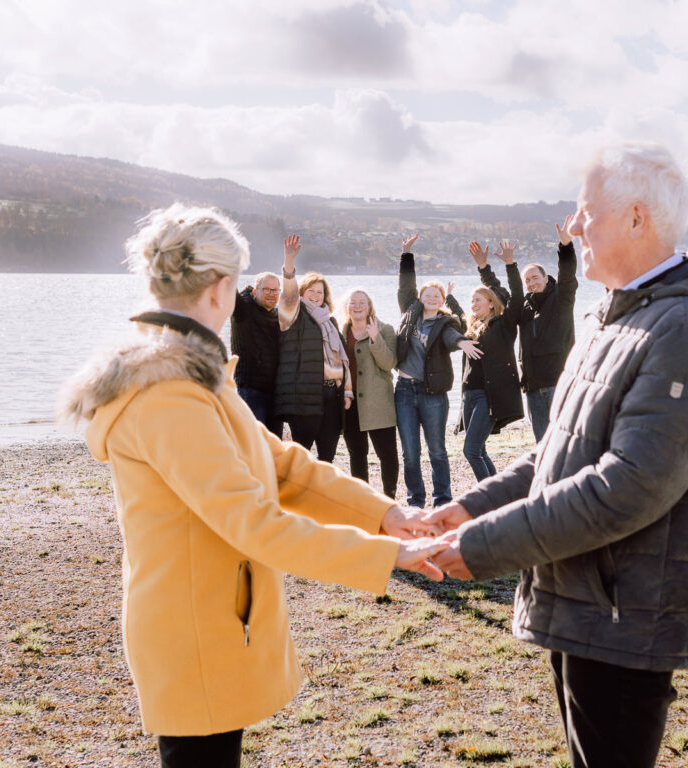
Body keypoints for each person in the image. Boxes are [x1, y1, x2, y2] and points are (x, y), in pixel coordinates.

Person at [59, 204, 444, 768]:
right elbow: (255, 522)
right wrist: (390, 555)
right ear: (220, 288)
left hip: (217, 622)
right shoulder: (167, 392)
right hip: (194, 634)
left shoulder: (193, 372)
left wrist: (384, 514)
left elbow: (282, 464)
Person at [426, 141, 688, 768]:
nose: (573, 227)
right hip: (588, 600)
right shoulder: (618, 315)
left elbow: (628, 486)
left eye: (585, 212)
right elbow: (558, 454)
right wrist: (467, 510)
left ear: (637, 218)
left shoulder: (687, 328)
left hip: (627, 614)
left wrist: (482, 548)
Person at [395, 232, 481, 508]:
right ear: (420, 298)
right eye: (427, 295)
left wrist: (462, 342)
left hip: (433, 394)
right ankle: (415, 501)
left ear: (442, 300)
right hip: (405, 391)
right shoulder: (410, 314)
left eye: (437, 295)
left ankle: (442, 500)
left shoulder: (447, 323)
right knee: (410, 452)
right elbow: (405, 287)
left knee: (437, 451)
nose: (431, 298)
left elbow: (451, 337)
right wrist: (407, 254)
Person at [478, 217, 578, 442]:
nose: (531, 283)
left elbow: (568, 273)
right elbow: (501, 294)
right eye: (527, 281)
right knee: (542, 445)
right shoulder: (524, 309)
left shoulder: (561, 299)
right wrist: (485, 269)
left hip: (559, 383)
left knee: (565, 441)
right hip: (533, 387)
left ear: (545, 278)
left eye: (535, 278)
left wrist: (565, 246)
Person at [275, 235, 351, 462]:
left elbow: (341, 360)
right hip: (305, 397)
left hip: (332, 397)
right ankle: (296, 496)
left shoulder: (330, 322)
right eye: (311, 291)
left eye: (320, 292)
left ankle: (321, 496)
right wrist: (289, 262)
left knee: (327, 457)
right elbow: (288, 295)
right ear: (302, 293)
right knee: (301, 457)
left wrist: (346, 392)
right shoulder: (294, 315)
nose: (316, 296)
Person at [457, 240, 524, 481]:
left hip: (489, 396)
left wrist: (507, 265)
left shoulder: (504, 325)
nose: (474, 304)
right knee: (479, 449)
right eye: (472, 300)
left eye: (479, 300)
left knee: (470, 450)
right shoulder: (471, 329)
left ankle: (486, 497)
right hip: (469, 395)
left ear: (492, 303)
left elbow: (515, 295)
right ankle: (496, 494)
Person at [341, 288, 400, 499]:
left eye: (361, 303)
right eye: (353, 302)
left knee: (387, 454)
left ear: (369, 307)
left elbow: (389, 364)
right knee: (357, 454)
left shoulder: (385, 329)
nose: (357, 306)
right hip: (350, 403)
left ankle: (389, 498)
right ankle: (363, 500)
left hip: (378, 403)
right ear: (346, 306)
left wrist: (375, 338)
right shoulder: (340, 331)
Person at [230, 270, 282, 435]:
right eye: (266, 289)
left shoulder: (277, 315)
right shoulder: (242, 311)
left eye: (275, 290)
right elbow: (229, 288)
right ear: (255, 291)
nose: (271, 294)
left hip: (275, 394)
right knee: (254, 443)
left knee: (275, 448)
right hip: (251, 391)